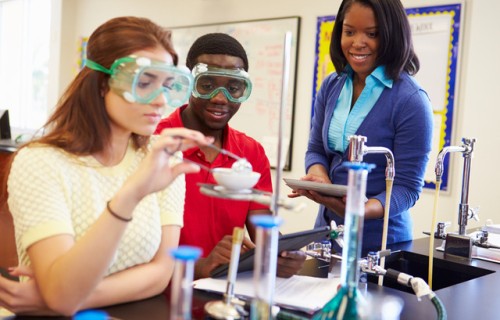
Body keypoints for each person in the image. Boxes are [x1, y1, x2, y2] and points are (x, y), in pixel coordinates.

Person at [0, 16, 213, 316]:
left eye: (166, 85)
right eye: (144, 82)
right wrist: (132, 194)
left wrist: (62, 297)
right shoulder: (40, 162)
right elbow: (63, 295)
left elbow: (162, 272)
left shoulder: (162, 156)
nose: (160, 100)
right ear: (103, 84)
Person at [155, 33, 306, 279]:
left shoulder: (251, 152)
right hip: (160, 300)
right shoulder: (155, 141)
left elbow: (263, 231)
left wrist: (282, 255)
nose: (219, 98)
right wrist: (200, 266)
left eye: (233, 88)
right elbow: (132, 244)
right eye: (207, 85)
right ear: (189, 81)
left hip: (225, 299)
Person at [289, 0, 433, 253]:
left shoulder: (411, 100)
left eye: (372, 33)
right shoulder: (332, 86)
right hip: (327, 233)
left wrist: (362, 211)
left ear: (391, 36)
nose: (357, 42)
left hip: (382, 244)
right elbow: (316, 149)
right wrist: (320, 178)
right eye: (349, 31)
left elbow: (407, 188)